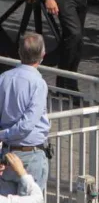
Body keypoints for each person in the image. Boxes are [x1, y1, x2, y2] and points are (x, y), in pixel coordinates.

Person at [0, 34, 49, 195]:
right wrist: (4, 134)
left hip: (7, 154)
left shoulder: (3, 78)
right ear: (43, 54)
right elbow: (27, 125)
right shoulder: (38, 83)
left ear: (20, 53)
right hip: (30, 155)